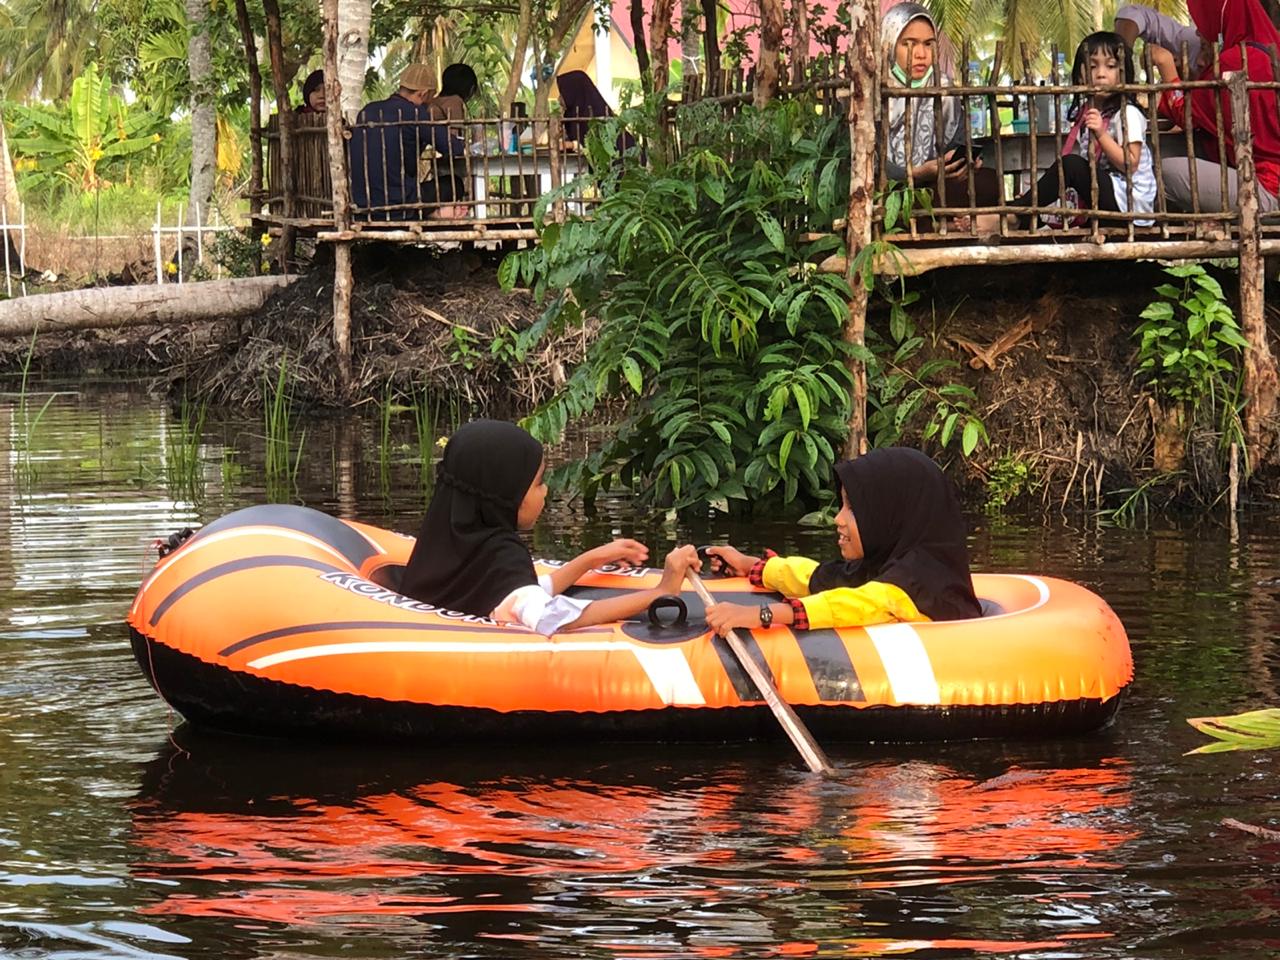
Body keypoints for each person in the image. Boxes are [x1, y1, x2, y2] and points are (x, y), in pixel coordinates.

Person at [399, 419, 701, 635]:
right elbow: (552, 617)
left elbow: (513, 592)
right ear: (506, 497)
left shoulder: (448, 542)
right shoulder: (500, 555)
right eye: (538, 483)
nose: (545, 492)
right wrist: (662, 591)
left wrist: (590, 559)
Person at [701, 448, 981, 638]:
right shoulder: (887, 561)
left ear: (891, 516)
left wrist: (761, 615)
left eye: (853, 509)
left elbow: (857, 603)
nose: (838, 519)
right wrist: (753, 566)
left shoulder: (920, 584)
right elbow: (822, 578)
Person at [1009, 32, 1156, 228]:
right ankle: (1021, 211)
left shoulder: (1127, 113)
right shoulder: (1087, 114)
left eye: (1110, 66)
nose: (1101, 74)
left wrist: (1101, 135)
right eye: (1093, 66)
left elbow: (1131, 163)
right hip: (1108, 199)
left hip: (1131, 203)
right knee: (1067, 174)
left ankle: (1016, 211)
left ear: (1123, 73)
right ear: (1080, 74)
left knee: (1071, 165)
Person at [1151, 0, 1280, 214]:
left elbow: (1186, 113)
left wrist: (1166, 67)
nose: (1201, 31)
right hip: (1262, 176)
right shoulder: (1269, 49)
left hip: (1265, 188)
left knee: (1163, 173)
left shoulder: (1237, 61)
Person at [881, 3, 1002, 224]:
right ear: (889, 44)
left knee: (989, 182)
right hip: (892, 190)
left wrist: (965, 163)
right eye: (909, 44)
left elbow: (956, 142)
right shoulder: (873, 90)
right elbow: (864, 164)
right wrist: (916, 173)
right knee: (901, 201)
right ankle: (945, 225)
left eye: (928, 44)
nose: (920, 54)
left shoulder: (943, 87)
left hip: (937, 184)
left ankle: (951, 224)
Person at [347, 63, 468, 221]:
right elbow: (454, 148)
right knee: (454, 184)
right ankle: (427, 212)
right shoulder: (415, 112)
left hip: (363, 204)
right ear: (423, 94)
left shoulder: (367, 110)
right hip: (399, 204)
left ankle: (428, 212)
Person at [555, 70, 636, 154]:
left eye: (563, 92)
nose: (559, 98)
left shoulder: (596, 114)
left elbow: (595, 146)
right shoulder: (571, 115)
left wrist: (571, 145)